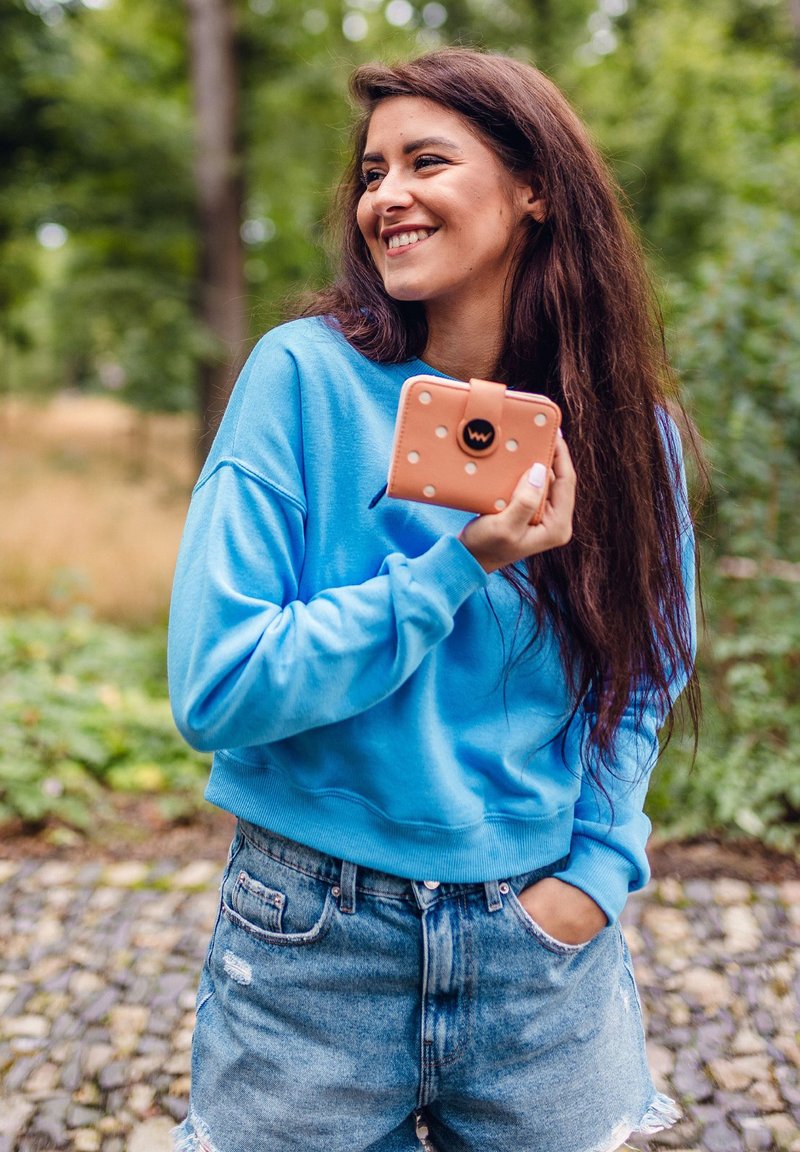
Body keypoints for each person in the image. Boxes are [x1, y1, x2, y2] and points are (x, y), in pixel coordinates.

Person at [168, 47, 698, 1152]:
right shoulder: (300, 378)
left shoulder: (619, 427)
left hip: (538, 956)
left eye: (424, 161)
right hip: (313, 942)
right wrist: (457, 565)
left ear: (532, 189)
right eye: (370, 172)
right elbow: (217, 690)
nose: (385, 198)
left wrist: (592, 878)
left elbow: (646, 669)